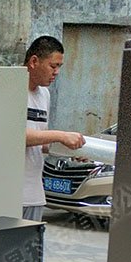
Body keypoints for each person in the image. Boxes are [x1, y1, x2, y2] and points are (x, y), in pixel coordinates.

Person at [22, 36, 84, 221]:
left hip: (34, 194)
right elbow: (16, 135)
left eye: (59, 67)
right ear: (34, 61)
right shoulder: (10, 89)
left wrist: (70, 149)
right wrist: (61, 135)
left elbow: (41, 142)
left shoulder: (44, 95)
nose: (56, 72)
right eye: (53, 66)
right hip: (8, 194)